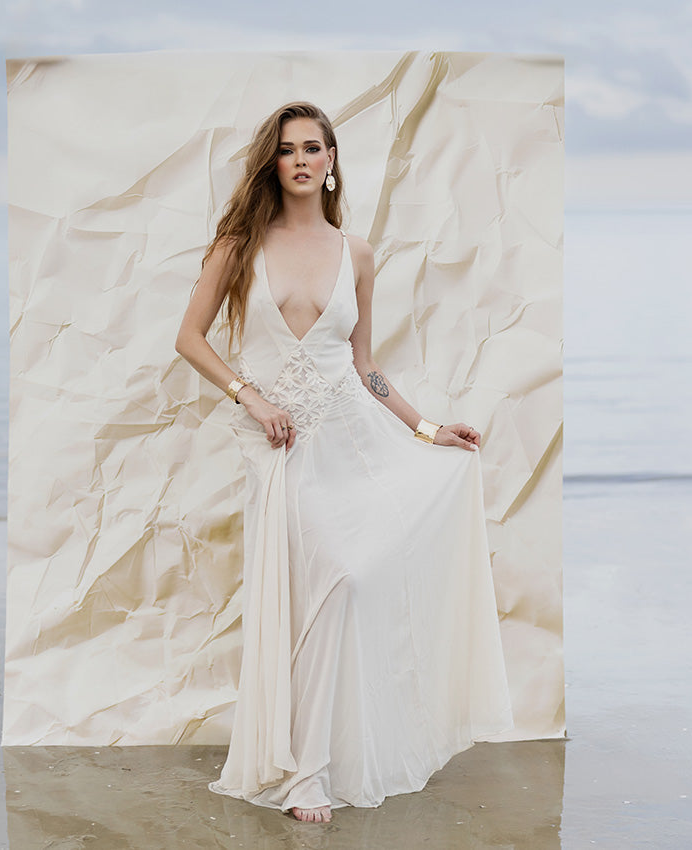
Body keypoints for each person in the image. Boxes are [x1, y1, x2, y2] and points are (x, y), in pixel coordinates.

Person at [174, 102, 512, 823]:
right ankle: (298, 768)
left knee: (347, 584)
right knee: (320, 586)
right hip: (278, 445)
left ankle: (312, 772)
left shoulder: (355, 252)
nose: (301, 160)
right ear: (274, 162)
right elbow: (190, 338)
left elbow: (363, 367)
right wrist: (251, 398)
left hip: (350, 439)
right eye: (288, 149)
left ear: (331, 162)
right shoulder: (239, 244)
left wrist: (426, 429)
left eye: (313, 149)